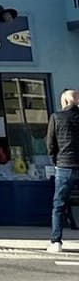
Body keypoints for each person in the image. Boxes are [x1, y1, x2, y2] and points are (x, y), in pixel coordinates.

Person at [49, 89, 79, 252]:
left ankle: (56, 242)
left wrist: (55, 161)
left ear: (65, 101)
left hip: (64, 165)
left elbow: (50, 143)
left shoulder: (56, 117)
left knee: (59, 205)